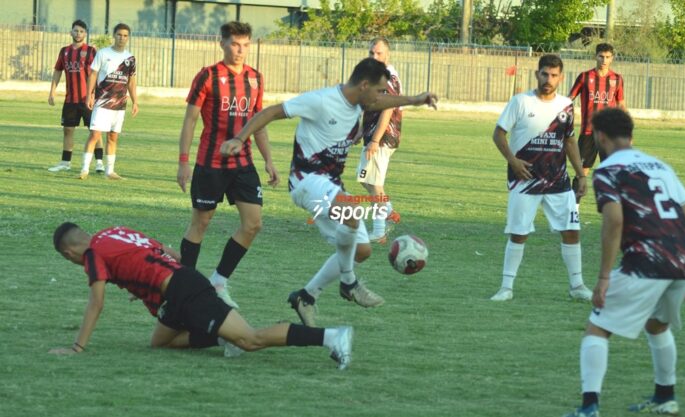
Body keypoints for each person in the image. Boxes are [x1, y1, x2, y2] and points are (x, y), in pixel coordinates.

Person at [218, 57, 437, 326]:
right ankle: (349, 283)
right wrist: (239, 139)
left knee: (362, 251)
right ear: (364, 85)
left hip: (330, 185)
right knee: (352, 210)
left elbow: (380, 103)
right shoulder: (321, 100)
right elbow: (272, 112)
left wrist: (415, 100)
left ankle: (306, 296)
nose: (381, 96)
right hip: (305, 180)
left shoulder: (359, 102)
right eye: (379, 89)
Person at [49, 222, 354, 370]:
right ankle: (222, 338)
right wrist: (147, 284)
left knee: (250, 340)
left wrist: (77, 347)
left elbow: (96, 302)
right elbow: (170, 253)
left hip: (185, 291)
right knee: (160, 342)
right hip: (178, 288)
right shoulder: (112, 232)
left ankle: (332, 337)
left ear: (68, 253)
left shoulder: (92, 254)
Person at [563, 108, 685, 417]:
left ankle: (589, 407)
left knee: (598, 328)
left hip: (647, 262)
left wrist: (604, 277)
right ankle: (665, 398)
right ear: (631, 135)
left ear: (600, 136)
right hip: (683, 260)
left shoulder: (608, 171)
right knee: (657, 325)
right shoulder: (660, 166)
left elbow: (614, 220)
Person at [176, 22, 278, 307]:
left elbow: (259, 123)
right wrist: (183, 162)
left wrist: (269, 160)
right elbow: (190, 120)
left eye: (245, 45)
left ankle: (218, 281)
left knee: (253, 224)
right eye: (234, 44)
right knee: (201, 223)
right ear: (221, 43)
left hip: (243, 163)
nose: (240, 50)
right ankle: (182, 288)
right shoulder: (208, 76)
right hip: (210, 163)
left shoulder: (255, 78)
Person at [489, 54, 592, 302]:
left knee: (571, 230)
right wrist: (513, 161)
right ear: (537, 74)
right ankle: (506, 288)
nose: (548, 79)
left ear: (561, 78)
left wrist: (581, 175)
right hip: (525, 180)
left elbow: (569, 141)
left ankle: (577, 286)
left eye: (554, 75)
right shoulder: (520, 102)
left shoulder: (566, 105)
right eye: (545, 74)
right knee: (519, 233)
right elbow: (498, 134)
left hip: (558, 181)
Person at [355, 37, 402, 243]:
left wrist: (375, 140)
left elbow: (387, 109)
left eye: (379, 53)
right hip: (373, 136)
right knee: (364, 178)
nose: (374, 56)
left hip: (382, 138)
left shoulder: (387, 76)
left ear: (387, 54)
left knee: (374, 184)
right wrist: (361, 132)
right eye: (371, 53)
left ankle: (379, 231)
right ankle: (388, 211)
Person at [568, 43, 626, 205]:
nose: (604, 60)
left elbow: (621, 105)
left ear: (612, 58)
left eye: (607, 57)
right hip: (588, 132)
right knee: (582, 172)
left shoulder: (617, 79)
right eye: (601, 56)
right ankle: (573, 208)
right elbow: (569, 99)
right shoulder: (584, 77)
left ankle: (613, 209)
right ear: (596, 56)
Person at [79, 23, 138, 180]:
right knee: (95, 134)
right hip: (102, 102)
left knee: (113, 137)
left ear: (128, 38)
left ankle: (109, 171)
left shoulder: (130, 58)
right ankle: (84, 169)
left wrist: (135, 101)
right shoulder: (103, 53)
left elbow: (131, 81)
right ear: (114, 35)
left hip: (120, 104)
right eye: (119, 35)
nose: (122, 38)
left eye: (125, 35)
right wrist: (89, 94)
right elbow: (93, 75)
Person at [47, 19, 104, 173]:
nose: (78, 34)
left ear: (85, 34)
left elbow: (97, 73)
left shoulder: (91, 51)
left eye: (81, 31)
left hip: (88, 99)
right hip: (70, 99)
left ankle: (99, 163)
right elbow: (58, 71)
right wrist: (52, 91)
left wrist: (95, 94)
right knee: (68, 130)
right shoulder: (64, 51)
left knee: (94, 131)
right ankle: (65, 163)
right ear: (71, 32)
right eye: (76, 31)